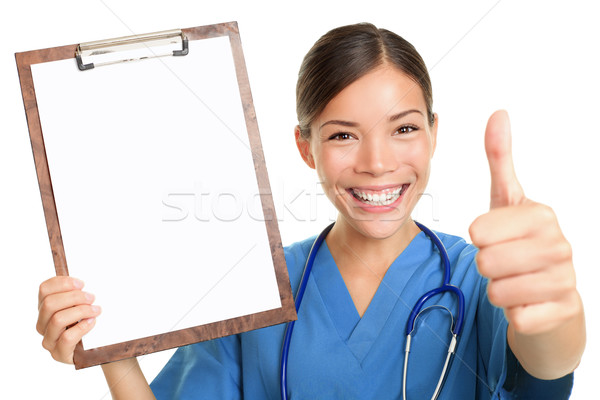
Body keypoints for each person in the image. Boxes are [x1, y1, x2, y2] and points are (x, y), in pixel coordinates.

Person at [36, 23, 585, 399]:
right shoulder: (257, 286)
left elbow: (545, 374)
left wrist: (557, 308)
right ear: (306, 148)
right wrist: (112, 348)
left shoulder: (478, 276)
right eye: (344, 135)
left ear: (434, 134)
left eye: (404, 128)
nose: (377, 162)